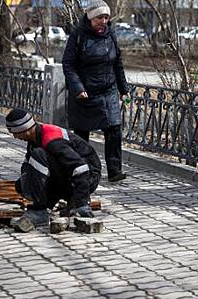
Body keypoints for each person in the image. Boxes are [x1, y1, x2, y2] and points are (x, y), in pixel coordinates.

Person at [62, 0, 129, 182]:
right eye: (100, 17)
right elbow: (68, 64)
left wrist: (124, 89)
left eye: (106, 17)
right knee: (82, 135)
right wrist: (78, 88)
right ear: (91, 17)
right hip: (85, 93)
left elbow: (117, 62)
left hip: (108, 91)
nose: (104, 21)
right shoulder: (78, 35)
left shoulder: (110, 34)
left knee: (114, 130)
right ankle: (84, 171)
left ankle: (115, 171)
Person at [6, 109, 102, 232]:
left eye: (16, 133)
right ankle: (50, 205)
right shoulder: (34, 139)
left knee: (39, 156)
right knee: (22, 184)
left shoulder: (52, 140)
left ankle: (40, 211)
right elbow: (27, 166)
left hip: (88, 177)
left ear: (26, 130)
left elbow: (80, 168)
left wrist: (82, 203)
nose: (15, 137)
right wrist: (27, 186)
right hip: (69, 175)